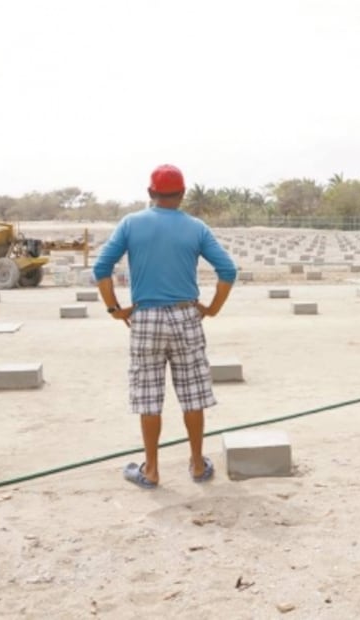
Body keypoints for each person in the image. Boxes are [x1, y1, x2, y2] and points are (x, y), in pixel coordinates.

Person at [93, 164, 237, 489]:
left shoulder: (131, 224)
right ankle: (198, 465)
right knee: (193, 395)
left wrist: (115, 308)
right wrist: (212, 309)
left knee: (148, 396)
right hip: (187, 316)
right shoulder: (197, 228)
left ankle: (152, 470)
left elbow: (101, 268)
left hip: (145, 318)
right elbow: (228, 271)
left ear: (150, 194)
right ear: (183, 195)